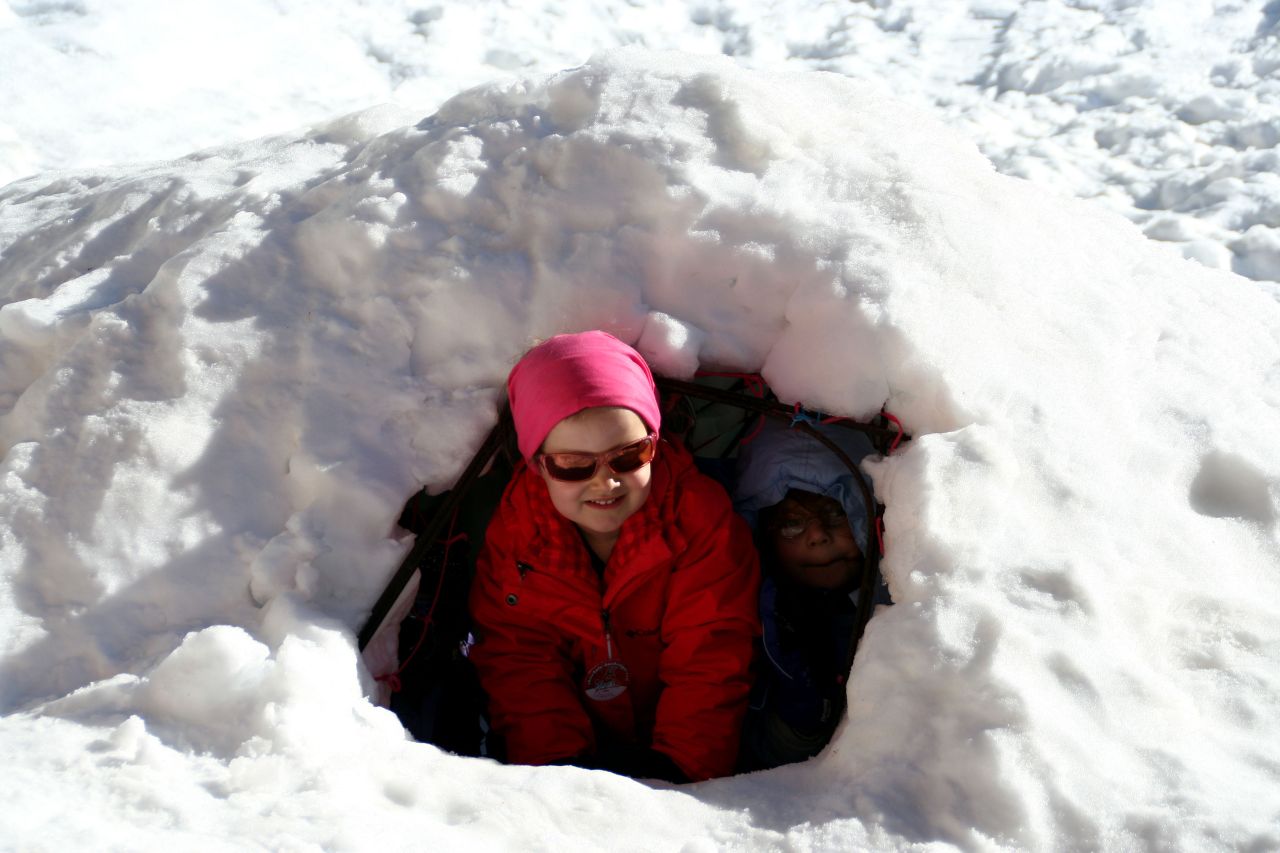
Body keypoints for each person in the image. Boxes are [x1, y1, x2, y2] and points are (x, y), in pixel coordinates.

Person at [468, 331, 761, 783]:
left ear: (655, 442)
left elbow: (712, 649)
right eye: (574, 465)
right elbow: (519, 656)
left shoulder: (697, 519)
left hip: (680, 748)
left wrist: (677, 768)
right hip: (573, 746)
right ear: (537, 463)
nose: (605, 483)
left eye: (628, 456)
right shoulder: (518, 532)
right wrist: (556, 769)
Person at [732, 417, 886, 770]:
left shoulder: (904, 603)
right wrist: (799, 721)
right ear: (763, 535)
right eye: (792, 523)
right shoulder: (752, 618)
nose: (817, 536)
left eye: (836, 512)